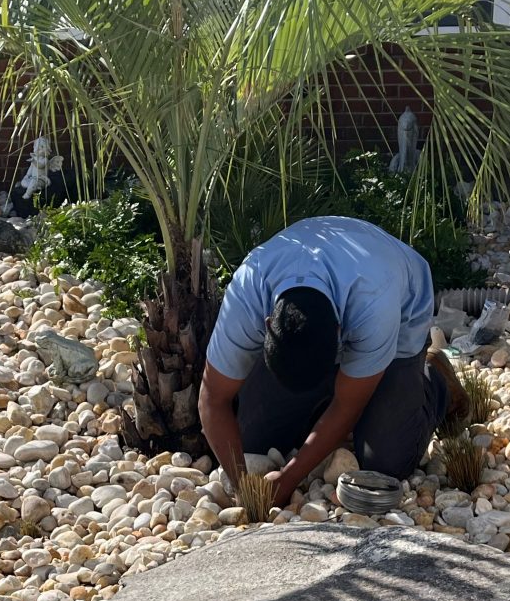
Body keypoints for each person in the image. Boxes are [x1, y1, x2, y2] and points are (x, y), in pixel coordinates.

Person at [198, 214, 465, 505]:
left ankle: (435, 382)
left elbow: (347, 404)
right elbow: (212, 397)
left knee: (387, 462)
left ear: (341, 334)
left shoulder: (374, 305)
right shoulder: (248, 291)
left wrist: (289, 479)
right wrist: (244, 487)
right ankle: (322, 396)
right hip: (330, 278)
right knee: (252, 441)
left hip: (401, 312)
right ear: (267, 325)